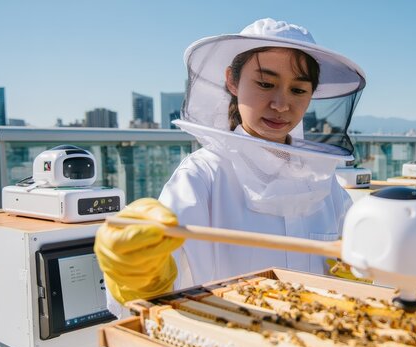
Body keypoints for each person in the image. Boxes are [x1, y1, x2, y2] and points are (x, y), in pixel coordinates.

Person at [95, 18, 366, 316]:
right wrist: (136, 270)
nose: (281, 104)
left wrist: (362, 271)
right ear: (232, 81)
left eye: (298, 90)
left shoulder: (323, 180)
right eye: (265, 83)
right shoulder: (202, 176)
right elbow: (155, 296)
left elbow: (355, 268)